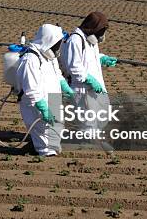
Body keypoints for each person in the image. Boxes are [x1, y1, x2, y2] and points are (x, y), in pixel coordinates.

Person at [60, 12, 117, 153]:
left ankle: (90, 138)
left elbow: (90, 57)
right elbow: (75, 66)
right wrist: (88, 79)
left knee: (102, 112)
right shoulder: (75, 40)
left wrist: (102, 58)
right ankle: (90, 145)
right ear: (93, 28)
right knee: (88, 117)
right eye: (101, 31)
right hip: (83, 87)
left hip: (95, 86)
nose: (101, 35)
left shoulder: (90, 40)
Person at [15, 24, 74, 157]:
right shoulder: (31, 59)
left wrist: (65, 86)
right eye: (57, 44)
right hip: (37, 103)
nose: (59, 47)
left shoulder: (49, 55)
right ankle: (44, 155)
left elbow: (57, 73)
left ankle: (37, 148)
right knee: (43, 133)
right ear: (49, 41)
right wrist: (43, 107)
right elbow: (31, 89)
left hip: (52, 99)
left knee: (56, 129)